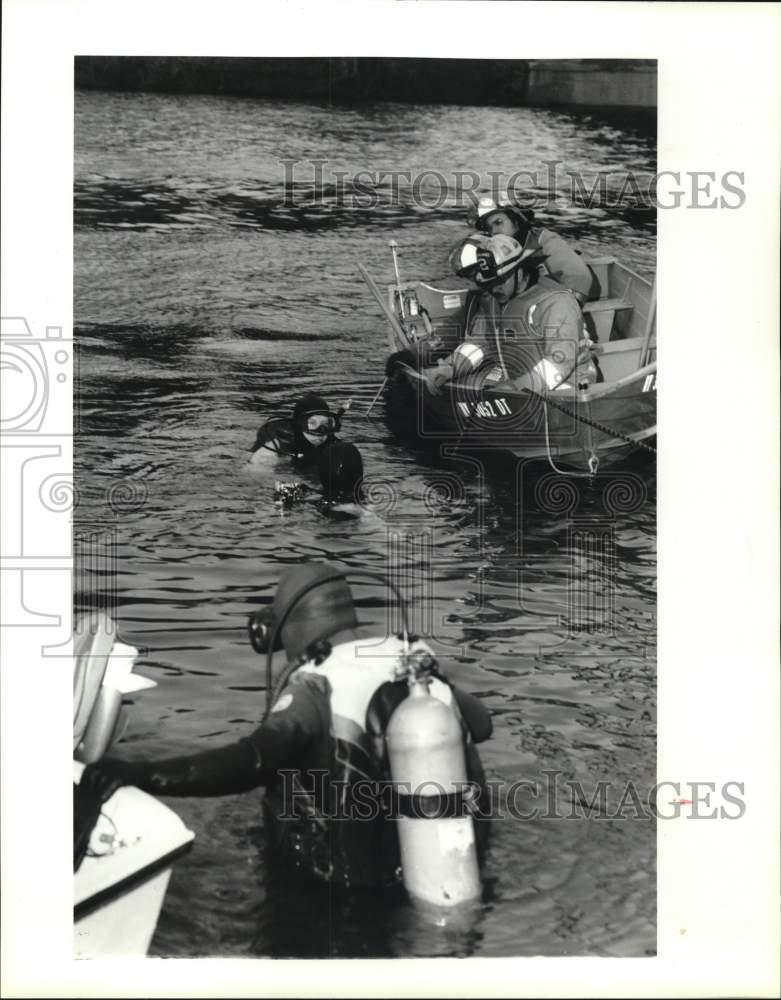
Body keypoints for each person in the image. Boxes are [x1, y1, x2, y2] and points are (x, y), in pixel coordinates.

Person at [81, 562, 492, 889]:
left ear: (288, 628)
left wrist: (136, 773)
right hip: (450, 862)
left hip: (346, 892)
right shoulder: (414, 661)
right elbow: (483, 724)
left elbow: (248, 762)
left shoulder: (315, 688)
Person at [427, 233, 598, 394]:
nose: (495, 288)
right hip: (515, 377)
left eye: (501, 281)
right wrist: (451, 367)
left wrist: (516, 387)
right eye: (490, 283)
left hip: (567, 385)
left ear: (520, 270)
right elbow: (479, 342)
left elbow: (559, 361)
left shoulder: (556, 302)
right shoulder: (494, 299)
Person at [468, 196, 599, 304]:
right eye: (489, 228)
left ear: (516, 221)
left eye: (498, 223)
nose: (494, 232)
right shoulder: (495, 251)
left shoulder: (544, 241)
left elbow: (581, 278)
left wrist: (561, 312)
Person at [248, 394, 345, 468]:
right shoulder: (272, 450)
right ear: (299, 424)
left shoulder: (334, 447)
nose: (320, 431)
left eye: (326, 424)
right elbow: (254, 486)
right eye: (312, 423)